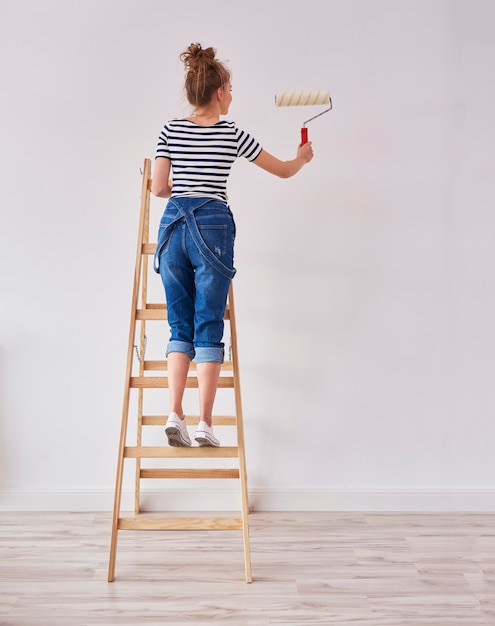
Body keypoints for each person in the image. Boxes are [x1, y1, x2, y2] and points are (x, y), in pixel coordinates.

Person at [151, 43, 313, 447]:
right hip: (213, 227)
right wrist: (302, 158)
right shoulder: (232, 133)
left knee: (178, 324)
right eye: (231, 88)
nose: (233, 95)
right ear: (220, 92)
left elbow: (157, 188)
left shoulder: (169, 129)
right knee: (208, 326)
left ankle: (175, 412)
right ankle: (205, 423)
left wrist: (184, 193)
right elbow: (283, 171)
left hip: (172, 228)